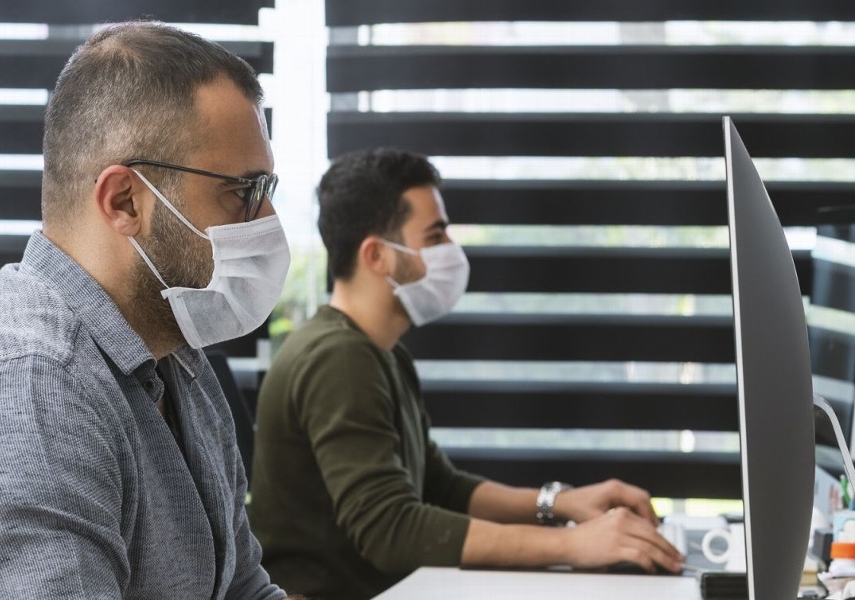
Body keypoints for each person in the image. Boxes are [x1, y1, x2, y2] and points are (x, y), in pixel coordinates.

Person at [0, 21, 290, 599]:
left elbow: (241, 589)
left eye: (267, 191)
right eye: (241, 192)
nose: (264, 223)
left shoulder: (176, 356)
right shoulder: (28, 385)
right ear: (123, 201)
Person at [248, 148, 685, 600]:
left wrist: (559, 505)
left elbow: (439, 486)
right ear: (377, 256)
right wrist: (573, 544)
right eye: (435, 235)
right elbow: (390, 529)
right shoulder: (337, 358)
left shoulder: (379, 354)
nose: (451, 251)